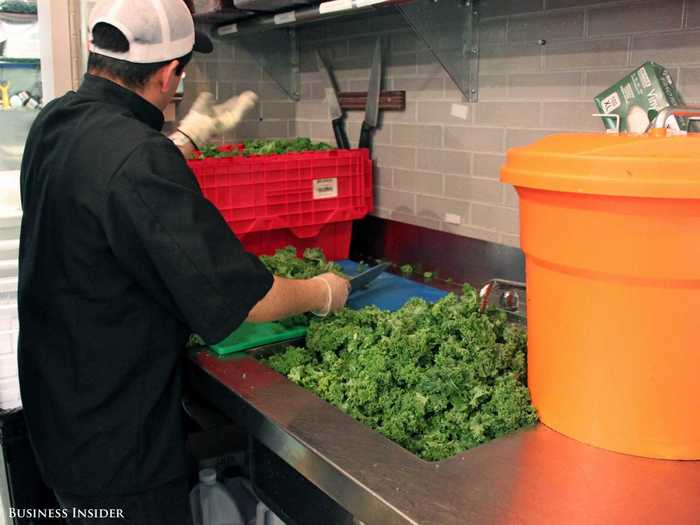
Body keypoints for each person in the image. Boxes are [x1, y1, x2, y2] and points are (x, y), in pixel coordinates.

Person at [17, 0, 349, 523]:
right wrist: (325, 290)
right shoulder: (136, 156)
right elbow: (243, 298)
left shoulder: (56, 121)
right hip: (118, 448)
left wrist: (185, 141)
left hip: (59, 412)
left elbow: (112, 189)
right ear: (172, 71)